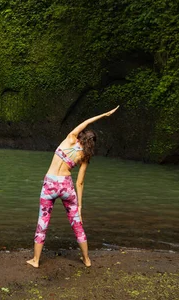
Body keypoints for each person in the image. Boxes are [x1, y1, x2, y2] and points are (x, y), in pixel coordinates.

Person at [26, 106, 119, 268]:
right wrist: (80, 207)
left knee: (43, 222)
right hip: (67, 186)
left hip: (50, 184)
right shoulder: (84, 157)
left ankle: (35, 260)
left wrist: (103, 114)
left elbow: (85, 122)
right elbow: (80, 182)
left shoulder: (69, 138)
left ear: (80, 135)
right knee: (77, 224)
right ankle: (87, 259)